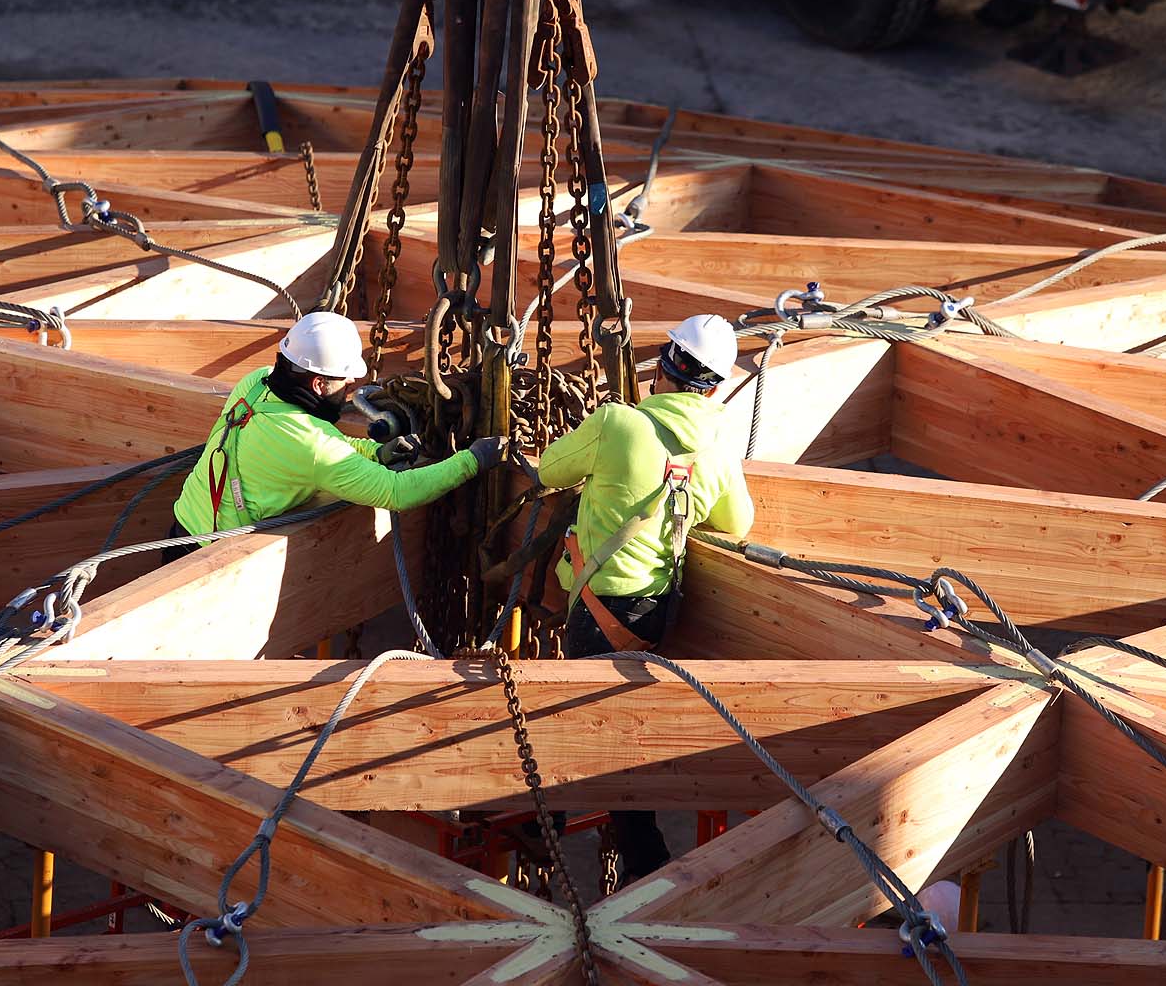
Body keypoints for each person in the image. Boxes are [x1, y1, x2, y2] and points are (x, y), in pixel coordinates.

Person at [535, 312, 755, 880]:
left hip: (597, 605)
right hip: (656, 610)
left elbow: (549, 472)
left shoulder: (618, 424)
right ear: (717, 384)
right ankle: (636, 857)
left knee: (582, 723)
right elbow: (738, 522)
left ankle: (565, 835)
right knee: (620, 723)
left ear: (664, 367)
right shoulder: (717, 451)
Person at [168, 312, 505, 557]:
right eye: (344, 380)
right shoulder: (312, 445)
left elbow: (319, 445)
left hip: (182, 528)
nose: (350, 388)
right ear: (319, 384)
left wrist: (375, 454)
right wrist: (472, 460)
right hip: (211, 559)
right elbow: (397, 492)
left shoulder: (256, 382)